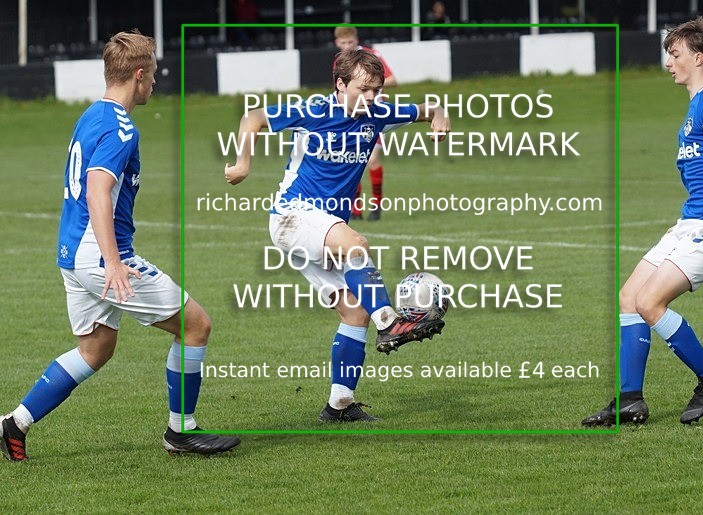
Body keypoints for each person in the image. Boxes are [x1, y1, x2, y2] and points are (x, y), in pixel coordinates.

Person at [0, 30, 240, 462]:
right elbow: (96, 190)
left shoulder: (91, 115)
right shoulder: (121, 127)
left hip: (71, 254)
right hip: (100, 256)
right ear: (139, 74)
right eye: (153, 76)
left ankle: (14, 422)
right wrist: (113, 261)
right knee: (196, 326)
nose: (155, 85)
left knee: (96, 349)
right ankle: (181, 432)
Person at [225, 48, 450, 422]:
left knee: (354, 310)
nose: (372, 98)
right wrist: (243, 163)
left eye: (377, 89)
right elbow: (253, 118)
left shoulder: (377, 112)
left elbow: (429, 108)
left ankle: (339, 406)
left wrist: (439, 118)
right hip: (292, 217)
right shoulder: (314, 111)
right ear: (340, 84)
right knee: (357, 244)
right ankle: (390, 323)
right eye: (363, 89)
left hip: (324, 226)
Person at [582, 17, 703, 427]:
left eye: (674, 54)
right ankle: (629, 400)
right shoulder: (695, 106)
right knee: (630, 297)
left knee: (650, 302)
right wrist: (691, 216)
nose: (668, 63)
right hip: (692, 222)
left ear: (698, 57)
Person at [333, 26, 396, 221]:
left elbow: (392, 79)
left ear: (356, 40)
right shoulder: (340, 62)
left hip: (373, 117)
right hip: (350, 118)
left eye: (350, 42)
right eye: (343, 43)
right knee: (352, 160)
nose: (347, 46)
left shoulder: (369, 56)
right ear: (337, 43)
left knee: (371, 160)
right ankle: (356, 207)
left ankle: (376, 205)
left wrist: (368, 85)